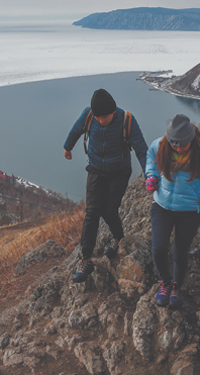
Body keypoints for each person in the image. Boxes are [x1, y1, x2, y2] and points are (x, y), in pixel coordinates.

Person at [64, 88, 148, 283]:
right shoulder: (88, 116)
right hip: (95, 170)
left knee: (110, 211)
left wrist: (148, 173)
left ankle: (118, 239)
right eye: (98, 117)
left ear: (113, 110)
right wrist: (67, 147)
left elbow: (141, 149)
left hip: (119, 172)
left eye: (106, 116)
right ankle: (85, 259)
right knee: (92, 212)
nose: (102, 120)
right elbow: (76, 130)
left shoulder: (127, 120)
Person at [145, 114, 200, 308]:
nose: (178, 148)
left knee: (180, 253)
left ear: (191, 139)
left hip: (190, 210)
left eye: (182, 144)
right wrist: (151, 176)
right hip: (162, 206)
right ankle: (164, 281)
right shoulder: (160, 146)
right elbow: (151, 160)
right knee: (158, 248)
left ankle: (177, 286)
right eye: (174, 144)